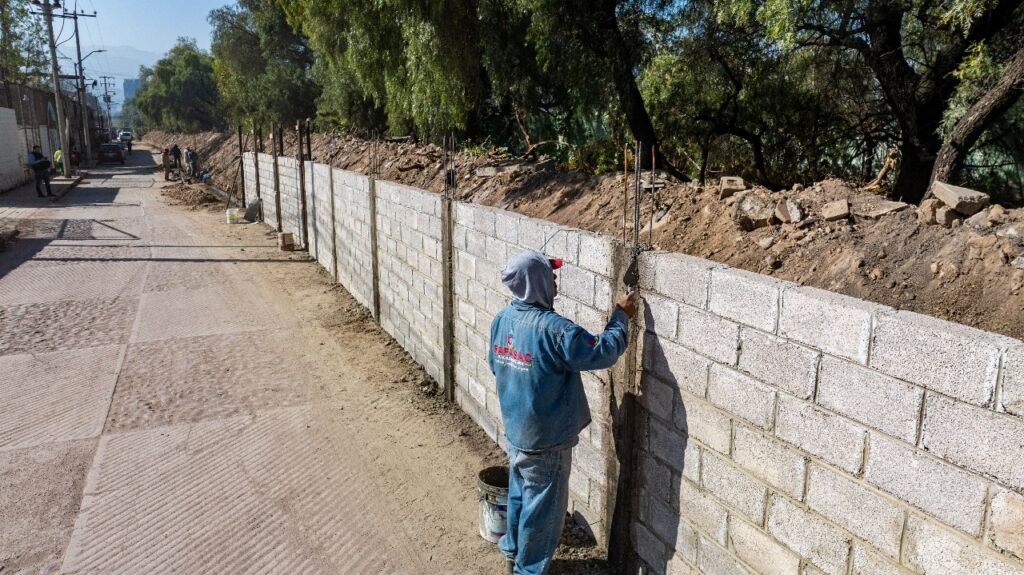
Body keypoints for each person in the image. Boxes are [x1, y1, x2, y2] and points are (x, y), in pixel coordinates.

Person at [489, 250, 636, 575]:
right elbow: (602, 351)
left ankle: (511, 552)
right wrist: (621, 317)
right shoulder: (556, 331)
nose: (555, 279)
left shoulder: (502, 320)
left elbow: (495, 367)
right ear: (535, 282)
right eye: (549, 274)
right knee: (541, 514)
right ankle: (527, 571)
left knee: (519, 497)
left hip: (516, 433)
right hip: (547, 442)